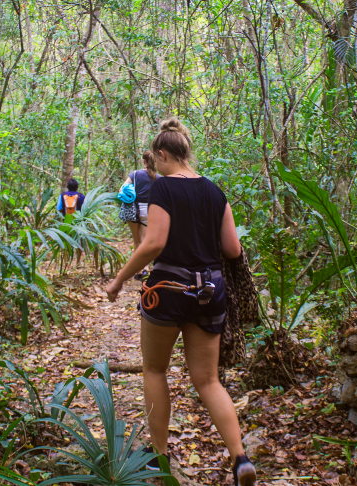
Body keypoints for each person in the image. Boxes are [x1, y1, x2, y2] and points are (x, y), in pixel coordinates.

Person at [106, 119, 256, 486]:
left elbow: (154, 243)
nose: (153, 169)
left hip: (168, 291)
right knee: (207, 381)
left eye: (155, 163)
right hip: (211, 292)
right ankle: (240, 458)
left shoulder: (162, 190)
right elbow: (233, 249)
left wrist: (119, 279)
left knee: (155, 371)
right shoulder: (215, 191)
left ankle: (161, 460)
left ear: (162, 154)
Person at [122, 151, 160, 250]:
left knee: (137, 242)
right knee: (144, 241)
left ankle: (137, 266)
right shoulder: (158, 178)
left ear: (143, 161)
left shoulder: (135, 174)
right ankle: (146, 266)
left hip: (133, 210)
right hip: (148, 210)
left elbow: (122, 189)